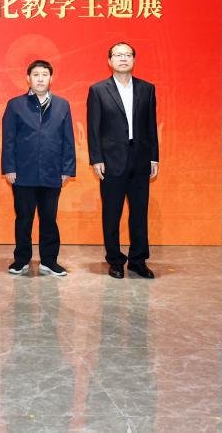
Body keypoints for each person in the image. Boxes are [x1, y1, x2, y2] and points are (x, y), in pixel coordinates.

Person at [87, 42, 159, 279]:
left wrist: (154, 157)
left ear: (134, 60)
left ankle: (138, 261)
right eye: (118, 55)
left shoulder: (147, 89)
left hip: (140, 160)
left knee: (139, 213)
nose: (123, 58)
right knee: (112, 214)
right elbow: (93, 127)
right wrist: (96, 158)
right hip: (111, 161)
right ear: (110, 61)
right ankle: (115, 261)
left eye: (128, 55)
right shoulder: (98, 90)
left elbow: (150, 126)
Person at [1, 60, 76, 276]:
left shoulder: (62, 105)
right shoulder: (15, 104)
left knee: (49, 219)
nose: (40, 79)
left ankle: (49, 261)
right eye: (36, 75)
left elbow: (68, 139)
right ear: (28, 79)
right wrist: (9, 167)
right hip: (22, 173)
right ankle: (21, 259)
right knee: (24, 218)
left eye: (44, 74)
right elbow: (8, 139)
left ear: (51, 78)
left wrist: (67, 169)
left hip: (52, 172)